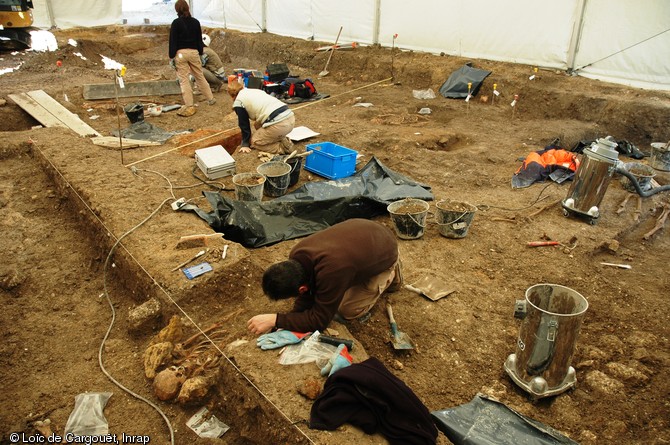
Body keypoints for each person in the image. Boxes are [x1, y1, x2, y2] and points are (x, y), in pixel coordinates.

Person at [247, 219, 403, 335]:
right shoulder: (297, 254)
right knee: (332, 291)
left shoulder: (332, 271)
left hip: (385, 247)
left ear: (301, 288)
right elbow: (308, 295)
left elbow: (319, 321)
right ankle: (371, 266)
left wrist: (276, 320)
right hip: (367, 233)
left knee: (345, 310)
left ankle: (391, 272)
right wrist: (288, 319)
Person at [168, 0, 215, 117]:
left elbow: (172, 41)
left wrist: (171, 55)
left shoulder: (176, 23)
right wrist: (199, 52)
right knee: (199, 75)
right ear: (188, 8)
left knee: (184, 79)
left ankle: (189, 105)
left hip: (181, 53)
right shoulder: (195, 22)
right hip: (194, 52)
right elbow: (199, 40)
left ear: (177, 10)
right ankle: (210, 98)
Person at [227, 80, 295, 154]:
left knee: (254, 142)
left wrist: (245, 144)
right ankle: (280, 138)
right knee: (257, 124)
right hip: (290, 117)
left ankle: (283, 148)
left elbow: (244, 124)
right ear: (242, 87)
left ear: (232, 96)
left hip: (278, 124)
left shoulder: (238, 102)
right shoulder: (255, 91)